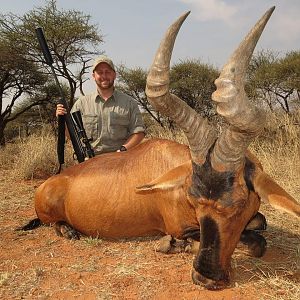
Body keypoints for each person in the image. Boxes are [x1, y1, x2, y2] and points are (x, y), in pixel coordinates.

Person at [56, 55, 145, 155]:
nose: (104, 76)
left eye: (108, 72)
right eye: (100, 72)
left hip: (121, 159)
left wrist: (122, 150)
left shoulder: (129, 102)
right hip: (91, 160)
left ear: (114, 75)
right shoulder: (81, 103)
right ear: (94, 76)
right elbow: (72, 135)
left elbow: (139, 133)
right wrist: (62, 119)